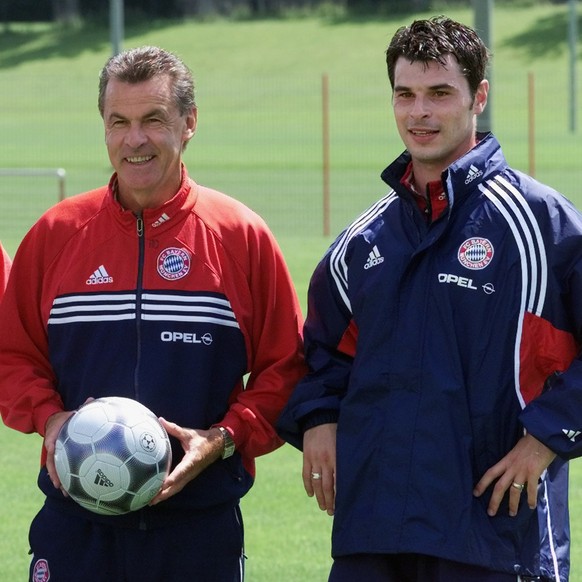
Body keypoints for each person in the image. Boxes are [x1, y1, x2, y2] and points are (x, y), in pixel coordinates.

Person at [278, 16, 582, 582]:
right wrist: (318, 419)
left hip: (493, 532)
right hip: (373, 531)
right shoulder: (361, 243)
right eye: (405, 95)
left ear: (479, 97)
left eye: (439, 94)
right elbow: (322, 355)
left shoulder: (541, 225)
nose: (420, 112)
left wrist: (545, 441)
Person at [0, 46, 306, 582]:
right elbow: (12, 356)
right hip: (75, 527)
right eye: (118, 122)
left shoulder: (240, 237)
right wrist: (50, 419)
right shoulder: (56, 235)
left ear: (189, 123)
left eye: (153, 120)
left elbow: (286, 370)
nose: (134, 140)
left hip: (198, 530)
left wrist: (222, 439)